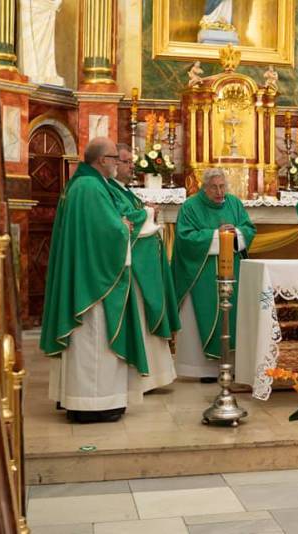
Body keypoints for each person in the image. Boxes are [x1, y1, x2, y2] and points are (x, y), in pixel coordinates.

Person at [41, 137, 147, 423]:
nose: (116, 163)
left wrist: (120, 224)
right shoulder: (90, 187)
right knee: (95, 339)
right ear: (102, 160)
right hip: (93, 281)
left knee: (88, 342)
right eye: (114, 158)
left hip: (84, 271)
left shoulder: (83, 184)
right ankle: (94, 404)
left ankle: (84, 400)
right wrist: (124, 227)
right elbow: (107, 231)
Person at [107, 143, 180, 393]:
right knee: (141, 314)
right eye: (126, 162)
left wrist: (148, 211)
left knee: (146, 317)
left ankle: (156, 375)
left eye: (132, 162)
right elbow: (123, 219)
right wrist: (148, 212)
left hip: (144, 261)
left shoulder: (123, 190)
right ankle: (145, 377)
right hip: (134, 265)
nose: (132, 167)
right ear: (113, 162)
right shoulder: (110, 190)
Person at [173, 168, 256, 380]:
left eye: (222, 187)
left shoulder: (234, 203)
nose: (219, 192)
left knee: (232, 315)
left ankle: (232, 366)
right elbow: (185, 238)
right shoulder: (190, 206)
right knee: (200, 317)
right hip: (202, 273)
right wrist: (217, 236)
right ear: (204, 187)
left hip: (232, 270)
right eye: (214, 188)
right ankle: (201, 369)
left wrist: (235, 233)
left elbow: (248, 228)